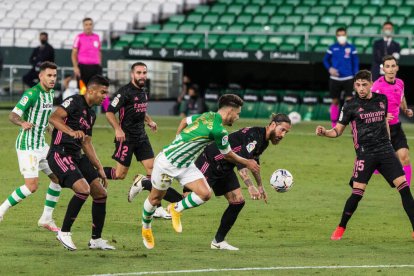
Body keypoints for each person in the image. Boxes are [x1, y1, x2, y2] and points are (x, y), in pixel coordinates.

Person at [139, 94, 260, 250]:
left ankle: (175, 209)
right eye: (237, 113)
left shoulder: (208, 115)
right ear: (230, 110)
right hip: (166, 164)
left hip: (187, 165)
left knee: (205, 193)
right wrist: (247, 162)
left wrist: (178, 138)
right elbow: (228, 154)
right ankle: (146, 228)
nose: (237, 117)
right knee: (155, 199)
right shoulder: (219, 131)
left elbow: (184, 121)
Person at [315, 70, 414, 241]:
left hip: (386, 152)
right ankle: (341, 227)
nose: (361, 88)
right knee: (357, 193)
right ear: (354, 85)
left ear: (370, 84)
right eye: (358, 85)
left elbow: (385, 123)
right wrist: (325, 132)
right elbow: (338, 131)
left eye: (364, 85)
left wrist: (389, 143)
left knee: (404, 188)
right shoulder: (350, 106)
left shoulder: (381, 100)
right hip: (365, 154)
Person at [195, 113, 291, 250]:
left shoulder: (263, 140)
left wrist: (260, 186)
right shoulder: (254, 135)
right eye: (282, 130)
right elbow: (242, 163)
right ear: (273, 125)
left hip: (226, 167)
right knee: (190, 198)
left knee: (237, 201)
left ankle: (218, 241)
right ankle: (154, 187)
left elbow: (253, 163)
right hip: (210, 161)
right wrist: (250, 186)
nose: (283, 135)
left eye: (286, 132)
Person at [103, 62, 181, 219]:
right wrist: (118, 129)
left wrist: (149, 121)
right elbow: (109, 112)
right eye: (139, 72)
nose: (142, 75)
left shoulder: (143, 91)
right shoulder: (124, 92)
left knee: (153, 171)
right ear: (132, 74)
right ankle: (94, 171)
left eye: (144, 72)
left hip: (141, 137)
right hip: (126, 138)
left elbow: (140, 110)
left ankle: (156, 207)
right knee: (120, 174)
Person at [47, 75, 114, 251]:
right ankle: (64, 232)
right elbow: (54, 118)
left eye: (106, 93)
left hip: (77, 155)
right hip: (59, 153)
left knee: (100, 193)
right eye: (103, 92)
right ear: (91, 90)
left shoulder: (91, 114)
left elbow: (87, 143)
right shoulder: (74, 101)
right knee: (83, 189)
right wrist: (71, 131)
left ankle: (96, 240)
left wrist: (99, 168)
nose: (105, 96)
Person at [0, 62, 62, 232]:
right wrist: (22, 123)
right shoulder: (32, 94)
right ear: (41, 76)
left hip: (42, 145)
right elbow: (12, 115)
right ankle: (1, 210)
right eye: (49, 75)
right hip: (27, 146)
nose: (52, 79)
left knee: (59, 177)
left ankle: (46, 218)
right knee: (32, 186)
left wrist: (50, 130)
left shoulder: (50, 94)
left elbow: (44, 117)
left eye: (54, 76)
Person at [371, 55, 413, 185]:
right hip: (380, 129)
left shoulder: (400, 83)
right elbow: (368, 108)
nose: (390, 69)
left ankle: (406, 192)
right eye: (387, 66)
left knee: (405, 158)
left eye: (393, 66)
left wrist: (405, 110)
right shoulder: (377, 86)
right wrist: (382, 116)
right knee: (375, 162)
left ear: (397, 68)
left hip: (396, 127)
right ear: (383, 69)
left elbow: (401, 97)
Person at [323, 27, 359, 127]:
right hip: (335, 79)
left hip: (348, 78)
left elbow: (355, 62)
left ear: (346, 35)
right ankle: (334, 125)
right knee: (335, 101)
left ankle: (352, 124)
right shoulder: (332, 47)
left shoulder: (352, 48)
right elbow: (325, 60)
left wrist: (355, 76)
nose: (341, 37)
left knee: (350, 102)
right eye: (339, 35)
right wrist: (330, 69)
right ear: (336, 36)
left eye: (343, 35)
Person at [72, 18, 102, 86]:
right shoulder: (79, 37)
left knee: (96, 88)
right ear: (83, 26)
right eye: (86, 25)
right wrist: (75, 67)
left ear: (93, 26)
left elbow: (99, 51)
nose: (88, 26)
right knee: (83, 90)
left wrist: (99, 64)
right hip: (83, 68)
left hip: (95, 68)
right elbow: (74, 53)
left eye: (90, 24)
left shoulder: (97, 37)